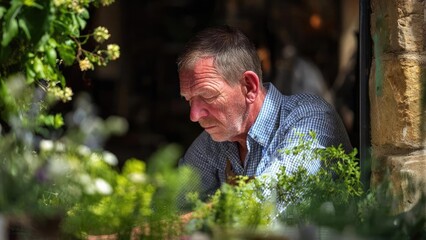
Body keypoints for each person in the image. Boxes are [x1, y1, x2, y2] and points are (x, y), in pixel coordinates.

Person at [177, 25, 352, 211]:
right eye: (189, 100)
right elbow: (172, 205)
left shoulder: (310, 117)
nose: (194, 115)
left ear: (249, 87)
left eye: (208, 96)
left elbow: (265, 205)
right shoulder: (215, 141)